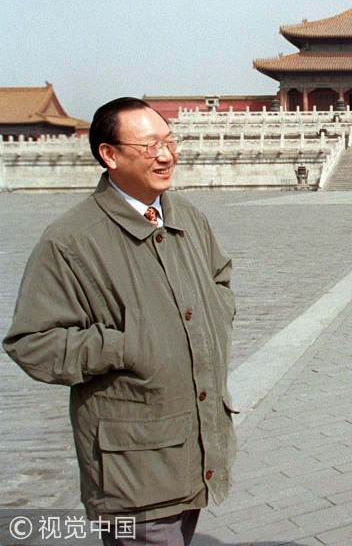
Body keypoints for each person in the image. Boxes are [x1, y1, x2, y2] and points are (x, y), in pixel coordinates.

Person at [3, 98, 237, 545]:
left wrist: (215, 317)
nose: (166, 156)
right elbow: (31, 341)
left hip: (194, 442)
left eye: (169, 142)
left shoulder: (186, 216)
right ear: (110, 155)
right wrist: (124, 347)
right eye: (150, 146)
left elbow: (220, 278)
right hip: (132, 462)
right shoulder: (71, 240)